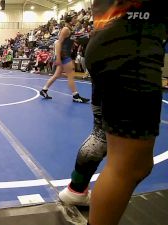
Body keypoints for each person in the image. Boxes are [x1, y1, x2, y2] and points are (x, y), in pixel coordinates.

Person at [58, 1, 167, 225]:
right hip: (133, 42)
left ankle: (76, 189)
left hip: (107, 40)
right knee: (131, 165)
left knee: (101, 134)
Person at [39, 14, 89, 103]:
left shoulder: (70, 29)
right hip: (64, 55)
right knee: (70, 74)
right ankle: (75, 96)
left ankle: (44, 90)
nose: (76, 19)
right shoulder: (66, 29)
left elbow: (68, 40)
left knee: (57, 75)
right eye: (74, 18)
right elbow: (58, 43)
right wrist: (58, 57)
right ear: (70, 20)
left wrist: (73, 43)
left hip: (65, 54)